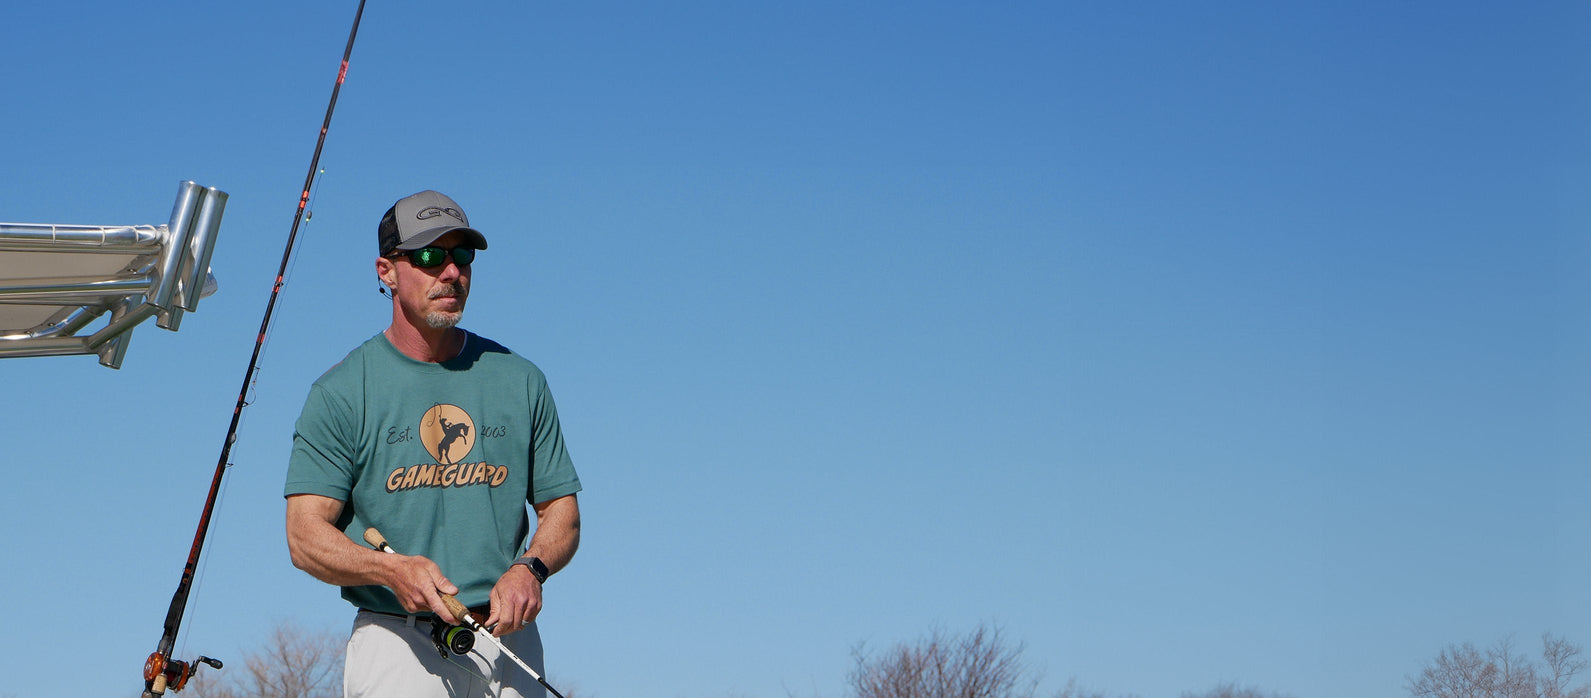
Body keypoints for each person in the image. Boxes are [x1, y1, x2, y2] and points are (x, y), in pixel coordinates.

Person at [284, 189, 582, 697]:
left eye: (461, 256)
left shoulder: (521, 380)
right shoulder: (340, 392)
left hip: (511, 641)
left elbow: (563, 514)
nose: (450, 272)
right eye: (428, 256)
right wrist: (388, 568)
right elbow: (304, 536)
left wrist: (529, 570)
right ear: (386, 271)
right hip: (395, 641)